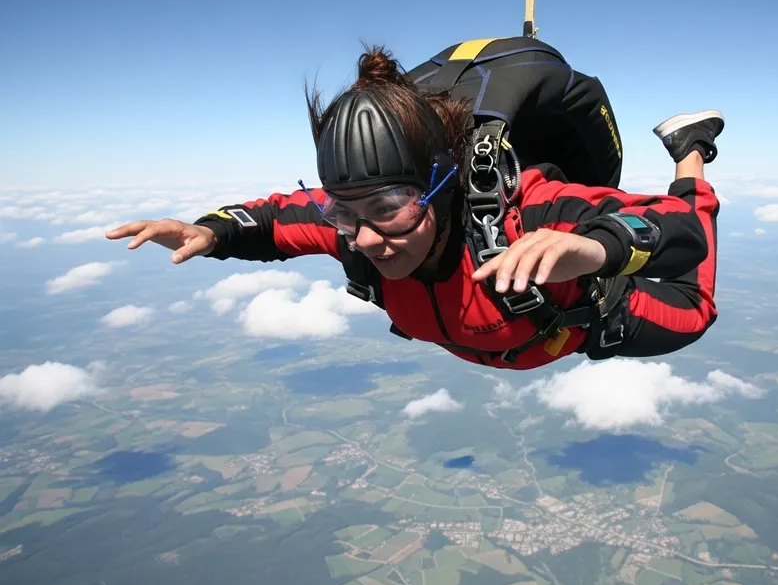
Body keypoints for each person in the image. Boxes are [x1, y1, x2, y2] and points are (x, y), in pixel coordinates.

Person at [106, 46, 723, 371]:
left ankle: (690, 147)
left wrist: (594, 248)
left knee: (695, 312)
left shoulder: (520, 213)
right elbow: (271, 220)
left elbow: (678, 230)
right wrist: (209, 230)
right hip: (498, 340)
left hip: (580, 320)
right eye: (346, 212)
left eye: (391, 207)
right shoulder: (351, 225)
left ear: (442, 184)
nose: (367, 237)